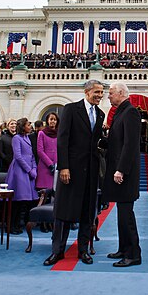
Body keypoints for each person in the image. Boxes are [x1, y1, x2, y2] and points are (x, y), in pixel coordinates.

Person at [44, 80, 105, 266]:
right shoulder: (70, 109)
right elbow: (63, 140)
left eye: (102, 92)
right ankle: (57, 251)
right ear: (87, 92)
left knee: (87, 213)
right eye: (97, 92)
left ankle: (83, 251)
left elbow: (98, 141)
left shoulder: (101, 114)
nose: (100, 96)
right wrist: (63, 166)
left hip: (91, 171)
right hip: (70, 171)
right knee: (63, 211)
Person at [103, 82, 142, 267]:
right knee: (121, 213)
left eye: (111, 93)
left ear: (120, 93)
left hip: (125, 173)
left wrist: (121, 169)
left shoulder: (131, 112)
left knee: (126, 215)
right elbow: (116, 141)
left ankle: (133, 254)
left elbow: (130, 145)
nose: (108, 96)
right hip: (119, 171)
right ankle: (123, 248)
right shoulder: (120, 112)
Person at [5, 117, 37, 234]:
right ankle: (11, 225)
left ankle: (17, 224)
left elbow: (31, 155)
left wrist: (34, 168)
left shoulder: (27, 138)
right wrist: (29, 170)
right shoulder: (16, 138)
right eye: (28, 124)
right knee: (17, 201)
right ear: (23, 126)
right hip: (19, 172)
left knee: (23, 201)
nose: (30, 126)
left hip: (27, 172)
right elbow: (18, 156)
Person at [35, 112, 58, 191]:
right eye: (51, 119)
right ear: (47, 121)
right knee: (44, 191)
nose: (53, 121)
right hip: (45, 166)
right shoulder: (42, 133)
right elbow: (40, 150)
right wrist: (50, 164)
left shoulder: (60, 133)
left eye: (55, 119)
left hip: (57, 166)